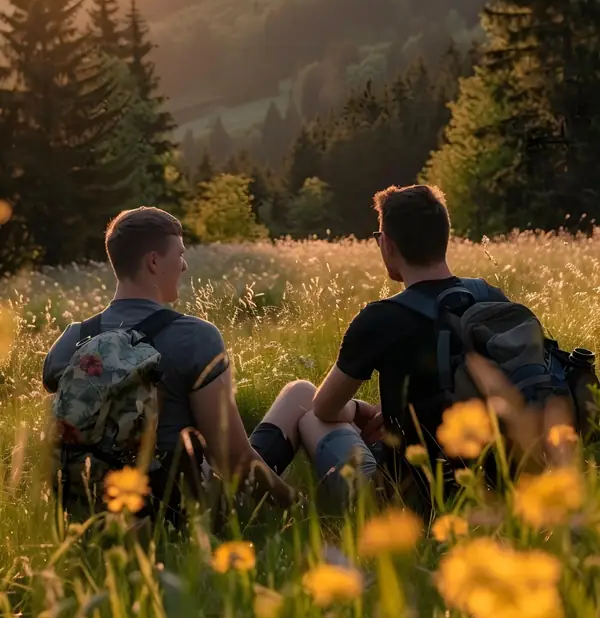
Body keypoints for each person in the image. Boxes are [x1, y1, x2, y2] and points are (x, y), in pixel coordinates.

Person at [43, 206, 315, 518]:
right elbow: (231, 459)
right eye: (180, 254)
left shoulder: (72, 340)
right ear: (154, 262)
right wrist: (302, 509)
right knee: (300, 394)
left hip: (94, 512)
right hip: (180, 514)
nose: (184, 266)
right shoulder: (195, 336)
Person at [298, 184, 514, 509]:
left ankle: (257, 495)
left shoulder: (380, 319)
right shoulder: (491, 299)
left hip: (407, 502)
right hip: (494, 489)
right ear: (444, 237)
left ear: (387, 244)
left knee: (307, 413)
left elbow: (324, 409)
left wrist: (358, 410)